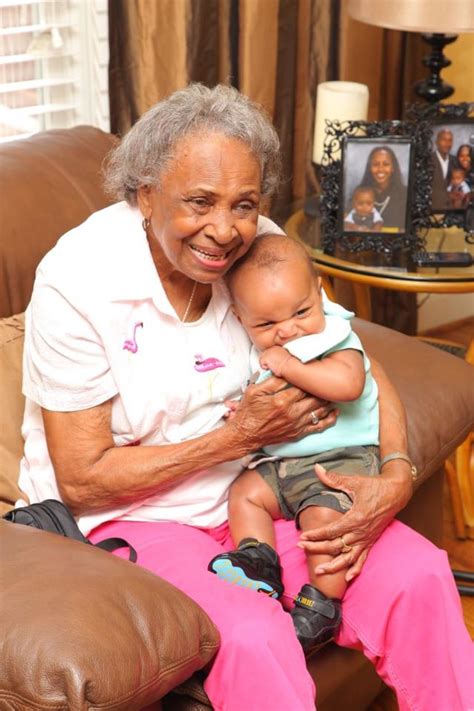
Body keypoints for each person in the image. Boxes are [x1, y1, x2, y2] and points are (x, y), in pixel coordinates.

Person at [18, 83, 473, 711]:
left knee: (419, 576)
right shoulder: (79, 282)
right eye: (199, 202)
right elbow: (83, 479)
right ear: (144, 193)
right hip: (139, 515)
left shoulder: (256, 247)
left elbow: (358, 361)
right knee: (256, 637)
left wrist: (397, 471)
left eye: (244, 203)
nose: (225, 230)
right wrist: (238, 437)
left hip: (267, 489)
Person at [208, 233, 380, 651]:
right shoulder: (260, 351)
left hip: (341, 461)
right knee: (245, 494)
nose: (287, 330)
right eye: (266, 325)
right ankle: (258, 557)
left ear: (319, 292)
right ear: (240, 318)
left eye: (301, 312)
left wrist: (287, 365)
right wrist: (246, 412)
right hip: (281, 467)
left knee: (324, 522)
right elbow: (264, 400)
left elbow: (348, 383)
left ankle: (321, 606)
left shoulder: (332, 337)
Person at [359, 146, 407, 231]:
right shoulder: (359, 193)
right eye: (375, 164)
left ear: (393, 168)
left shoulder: (405, 194)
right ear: (370, 168)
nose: (380, 169)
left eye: (386, 164)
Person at [431, 128, 457, 211]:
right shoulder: (428, 161)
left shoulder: (456, 161)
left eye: (450, 140)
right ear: (437, 142)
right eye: (444, 140)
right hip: (433, 210)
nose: (447, 143)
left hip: (453, 211)